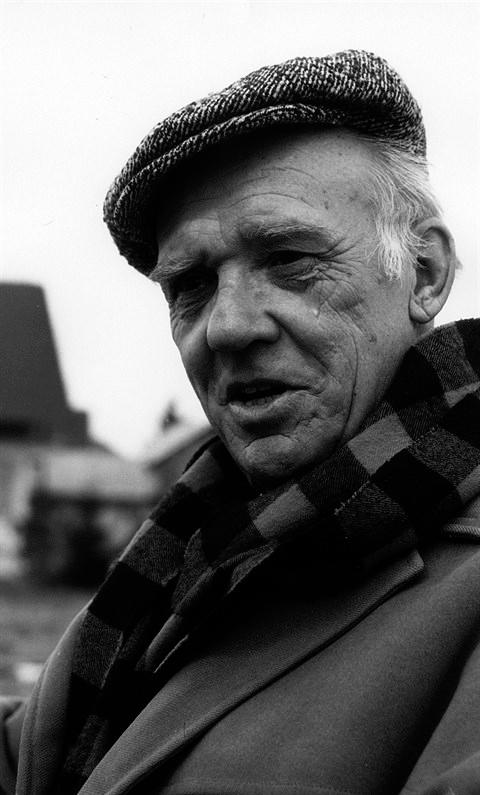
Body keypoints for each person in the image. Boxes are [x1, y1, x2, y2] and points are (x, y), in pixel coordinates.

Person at [1, 49, 480, 795]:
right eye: (190, 285)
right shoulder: (199, 541)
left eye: (288, 258)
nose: (226, 326)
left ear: (425, 273)